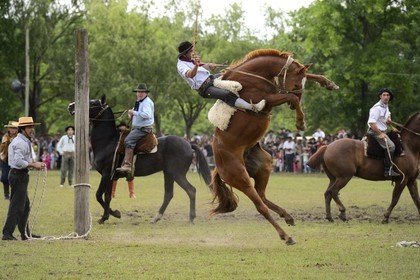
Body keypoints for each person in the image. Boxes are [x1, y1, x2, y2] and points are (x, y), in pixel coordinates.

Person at [176, 41, 266, 112]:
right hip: (205, 89)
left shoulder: (190, 60)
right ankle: (253, 107)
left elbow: (201, 67)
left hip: (211, 79)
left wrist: (209, 65)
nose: (193, 52)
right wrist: (196, 65)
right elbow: (191, 74)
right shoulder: (181, 65)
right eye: (191, 51)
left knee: (231, 73)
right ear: (185, 53)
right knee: (226, 94)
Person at [2, 117, 44, 240]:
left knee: (25, 206)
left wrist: (35, 163)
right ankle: (7, 233)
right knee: (17, 206)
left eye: (32, 127)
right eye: (29, 127)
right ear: (23, 129)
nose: (32, 130)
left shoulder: (23, 141)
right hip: (18, 174)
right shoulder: (20, 142)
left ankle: (25, 234)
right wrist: (33, 164)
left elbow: (23, 160)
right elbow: (18, 161)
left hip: (20, 174)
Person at [116, 83, 154, 173]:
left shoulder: (147, 102)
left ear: (146, 93)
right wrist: (131, 114)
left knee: (128, 141)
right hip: (137, 128)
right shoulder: (138, 101)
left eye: (142, 92)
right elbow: (135, 115)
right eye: (138, 92)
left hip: (143, 129)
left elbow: (147, 115)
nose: (140, 93)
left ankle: (127, 165)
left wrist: (134, 113)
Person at [367, 88, 399, 177]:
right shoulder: (377, 108)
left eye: (387, 95)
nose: (385, 97)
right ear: (380, 96)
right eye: (384, 95)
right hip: (375, 131)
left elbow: (387, 118)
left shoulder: (386, 106)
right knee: (391, 146)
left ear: (390, 97)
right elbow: (371, 122)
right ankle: (388, 170)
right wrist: (379, 134)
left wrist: (389, 122)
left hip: (383, 130)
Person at [112, 122, 135, 198]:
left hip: (128, 156)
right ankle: (113, 192)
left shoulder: (129, 134)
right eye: (121, 128)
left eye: (124, 127)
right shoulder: (117, 135)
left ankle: (131, 193)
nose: (122, 129)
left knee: (129, 174)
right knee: (115, 175)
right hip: (119, 156)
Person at [0, 121, 18, 200]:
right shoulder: (5, 136)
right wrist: (5, 144)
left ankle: (14, 194)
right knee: (4, 178)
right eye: (11, 128)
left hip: (15, 160)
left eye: (14, 128)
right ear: (8, 128)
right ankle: (6, 194)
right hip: (5, 160)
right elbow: (1, 148)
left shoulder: (19, 136)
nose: (13, 130)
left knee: (14, 178)